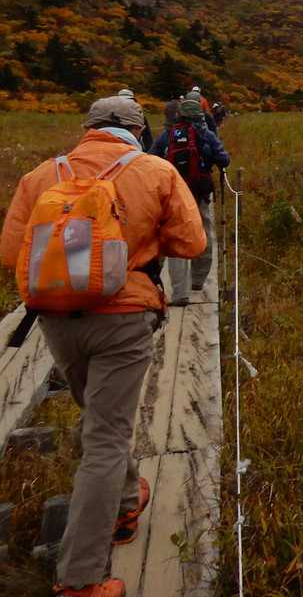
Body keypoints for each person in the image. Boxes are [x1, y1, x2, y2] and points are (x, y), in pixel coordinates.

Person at [1, 94, 206, 597]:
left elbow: (10, 252)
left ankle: (124, 501)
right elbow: (192, 244)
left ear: (87, 127)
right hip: (124, 317)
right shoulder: (154, 171)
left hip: (56, 318)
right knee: (106, 439)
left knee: (99, 419)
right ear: (139, 129)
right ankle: (81, 578)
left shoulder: (41, 176)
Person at [150, 97, 229, 301]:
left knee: (173, 235)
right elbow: (224, 159)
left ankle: (176, 290)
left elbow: (151, 157)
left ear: (180, 115)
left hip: (173, 192)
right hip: (200, 191)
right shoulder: (206, 134)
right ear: (199, 115)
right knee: (203, 231)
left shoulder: (168, 134)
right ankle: (198, 280)